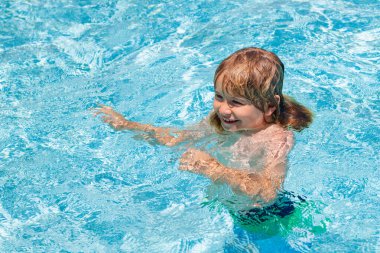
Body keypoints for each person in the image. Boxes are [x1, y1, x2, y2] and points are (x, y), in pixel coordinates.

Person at [94, 47, 313, 209]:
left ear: (269, 107)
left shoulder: (275, 139)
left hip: (267, 217)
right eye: (219, 97)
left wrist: (215, 170)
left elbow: (267, 193)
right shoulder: (223, 123)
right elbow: (178, 138)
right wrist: (128, 126)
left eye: (236, 102)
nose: (224, 109)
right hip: (231, 207)